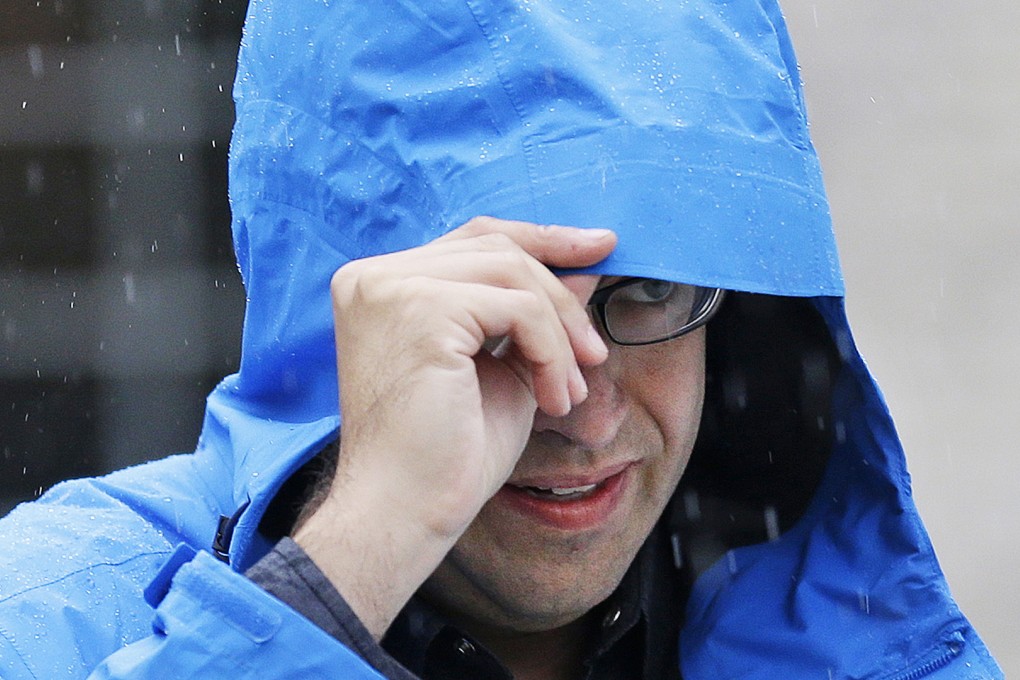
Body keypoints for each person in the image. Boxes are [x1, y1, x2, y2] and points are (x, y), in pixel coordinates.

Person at [0, 0, 1003, 678]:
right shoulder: (51, 617)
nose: (580, 399)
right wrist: (354, 558)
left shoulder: (855, 646)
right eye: (496, 313)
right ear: (340, 307)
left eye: (650, 289)